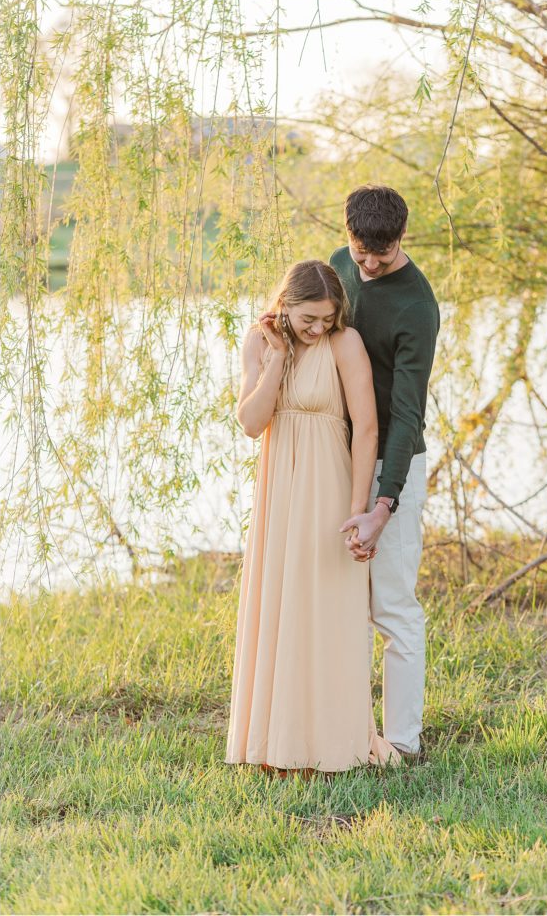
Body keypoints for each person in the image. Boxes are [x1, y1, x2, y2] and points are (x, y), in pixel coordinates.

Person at [225, 259, 401, 774]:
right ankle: (276, 743)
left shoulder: (345, 345)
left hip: (330, 487)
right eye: (309, 320)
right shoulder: (260, 343)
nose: (319, 328)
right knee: (280, 604)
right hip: (280, 488)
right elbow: (252, 424)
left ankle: (330, 740)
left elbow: (366, 429)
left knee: (326, 608)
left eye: (327, 318)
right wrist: (278, 357)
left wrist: (358, 510)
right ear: (286, 306)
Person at [329, 185, 440, 763]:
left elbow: (406, 414)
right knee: (336, 600)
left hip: (391, 465)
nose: (368, 263)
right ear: (348, 234)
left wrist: (383, 504)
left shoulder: (417, 308)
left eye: (383, 252)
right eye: (360, 250)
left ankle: (403, 742)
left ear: (402, 237)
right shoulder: (338, 264)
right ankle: (338, 728)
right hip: (337, 457)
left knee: (393, 607)